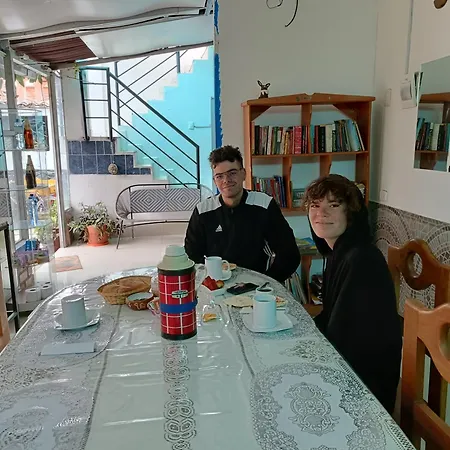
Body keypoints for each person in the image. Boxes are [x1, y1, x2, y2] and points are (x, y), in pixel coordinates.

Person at [303, 174, 402, 414]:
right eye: (315, 205)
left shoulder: (361, 260)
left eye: (333, 205)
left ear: (351, 213)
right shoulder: (339, 252)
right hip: (349, 369)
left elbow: (346, 341)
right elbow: (332, 319)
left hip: (364, 394)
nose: (321, 213)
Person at [184, 145, 300, 283]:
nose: (226, 180)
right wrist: (207, 281)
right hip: (217, 285)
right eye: (219, 176)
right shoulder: (203, 210)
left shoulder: (264, 204)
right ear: (214, 181)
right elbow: (191, 255)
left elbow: (290, 254)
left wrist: (267, 282)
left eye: (232, 173)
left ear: (243, 174)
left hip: (257, 284)